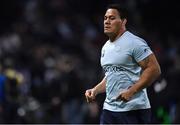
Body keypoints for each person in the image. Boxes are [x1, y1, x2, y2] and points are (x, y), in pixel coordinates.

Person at [85, 4, 161, 124]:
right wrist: (95, 90)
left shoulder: (134, 43)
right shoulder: (105, 47)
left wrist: (132, 91)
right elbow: (111, 76)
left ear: (123, 21)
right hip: (109, 110)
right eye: (105, 18)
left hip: (133, 110)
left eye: (112, 18)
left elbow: (154, 69)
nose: (107, 22)